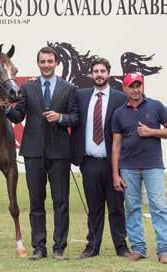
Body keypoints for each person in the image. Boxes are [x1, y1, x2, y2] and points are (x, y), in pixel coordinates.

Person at [0, 47, 78, 260]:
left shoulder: (68, 88)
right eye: (42, 61)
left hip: (60, 153)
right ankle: (39, 248)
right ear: (38, 63)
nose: (46, 65)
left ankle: (59, 247)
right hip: (33, 153)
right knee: (36, 202)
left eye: (50, 61)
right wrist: (6, 108)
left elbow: (75, 118)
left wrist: (60, 118)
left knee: (61, 201)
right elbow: (18, 116)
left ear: (56, 62)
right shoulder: (28, 88)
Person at [70, 58, 130, 258]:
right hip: (89, 162)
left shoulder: (121, 98)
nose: (99, 74)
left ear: (109, 74)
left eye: (102, 71)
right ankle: (92, 247)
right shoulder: (80, 96)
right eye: (95, 71)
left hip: (113, 163)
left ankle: (121, 247)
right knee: (94, 208)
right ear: (90, 75)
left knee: (116, 207)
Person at [112, 73, 167, 264]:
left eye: (139, 85)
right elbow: (116, 145)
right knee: (132, 208)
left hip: (154, 167)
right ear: (124, 89)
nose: (136, 90)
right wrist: (115, 174)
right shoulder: (119, 113)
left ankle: (164, 250)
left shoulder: (156, 106)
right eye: (131, 86)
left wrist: (152, 132)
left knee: (159, 208)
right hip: (128, 168)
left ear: (143, 87)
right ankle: (138, 248)